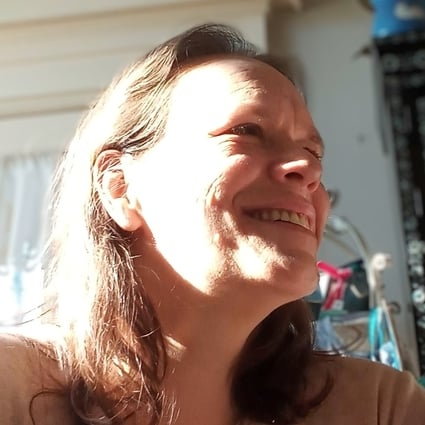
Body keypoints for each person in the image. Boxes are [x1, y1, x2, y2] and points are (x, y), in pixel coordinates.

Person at [0, 23, 424, 425]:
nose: (308, 169)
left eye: (313, 152)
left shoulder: (379, 407)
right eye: (247, 130)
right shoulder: (11, 387)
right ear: (120, 188)